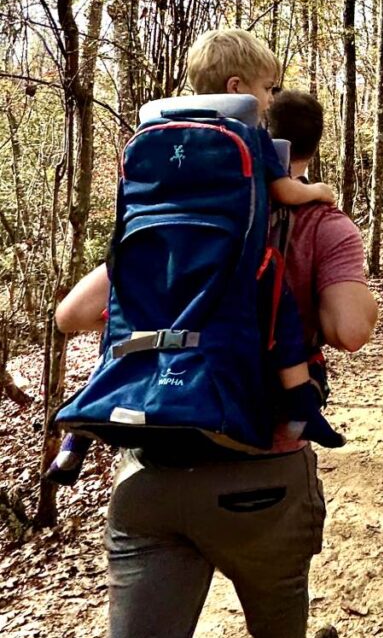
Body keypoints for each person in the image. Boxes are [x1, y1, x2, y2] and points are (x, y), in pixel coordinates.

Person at [54, 38, 378, 638]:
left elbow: (72, 314)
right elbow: (350, 329)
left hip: (148, 468)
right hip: (259, 476)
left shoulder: (170, 211)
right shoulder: (320, 223)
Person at [46, 29, 339, 485]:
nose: (269, 100)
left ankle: (77, 437)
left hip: (155, 262)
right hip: (225, 260)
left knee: (130, 320)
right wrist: (319, 190)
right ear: (237, 88)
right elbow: (282, 190)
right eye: (267, 88)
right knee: (277, 301)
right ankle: (302, 402)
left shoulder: (154, 132)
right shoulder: (248, 133)